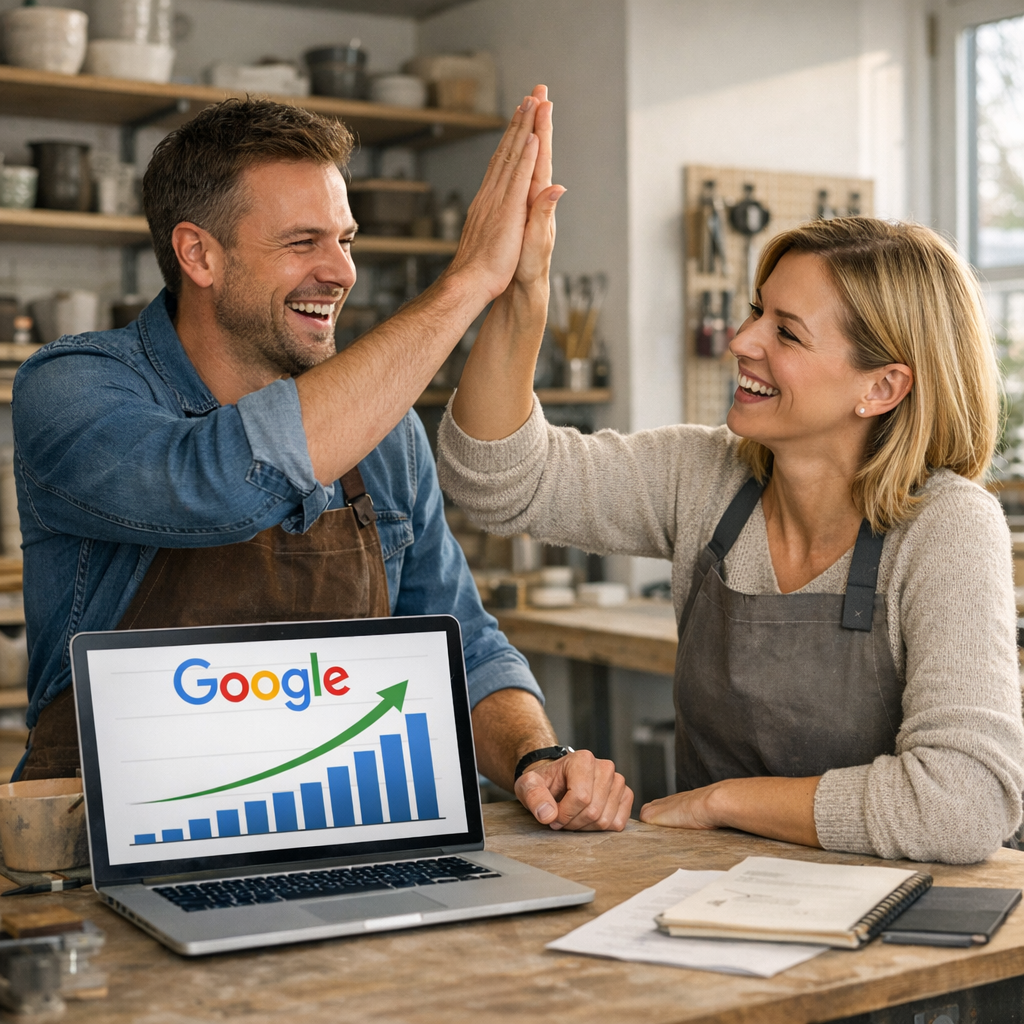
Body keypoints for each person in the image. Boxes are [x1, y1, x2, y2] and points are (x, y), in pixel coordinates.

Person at [12, 94, 632, 832]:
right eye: (303, 241)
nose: (340, 271)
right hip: (105, 854)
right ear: (198, 254)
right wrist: (466, 283)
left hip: (336, 837)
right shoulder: (72, 386)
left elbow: (459, 640)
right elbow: (214, 484)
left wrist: (536, 758)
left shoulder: (388, 431)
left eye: (346, 239)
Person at [437, 106, 1024, 863]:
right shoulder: (704, 476)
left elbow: (961, 805)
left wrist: (725, 801)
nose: (742, 342)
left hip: (894, 927)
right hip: (708, 899)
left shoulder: (946, 526)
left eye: (786, 331)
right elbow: (494, 479)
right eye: (756, 312)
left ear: (880, 388)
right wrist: (518, 294)